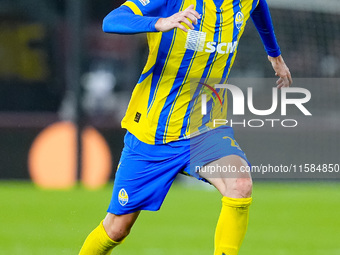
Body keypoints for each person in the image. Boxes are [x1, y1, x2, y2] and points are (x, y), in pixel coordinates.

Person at [79, 0, 292, 254]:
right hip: (152, 132)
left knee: (240, 184)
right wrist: (160, 23)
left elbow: (259, 6)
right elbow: (112, 20)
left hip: (204, 127)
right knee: (116, 228)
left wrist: (274, 54)